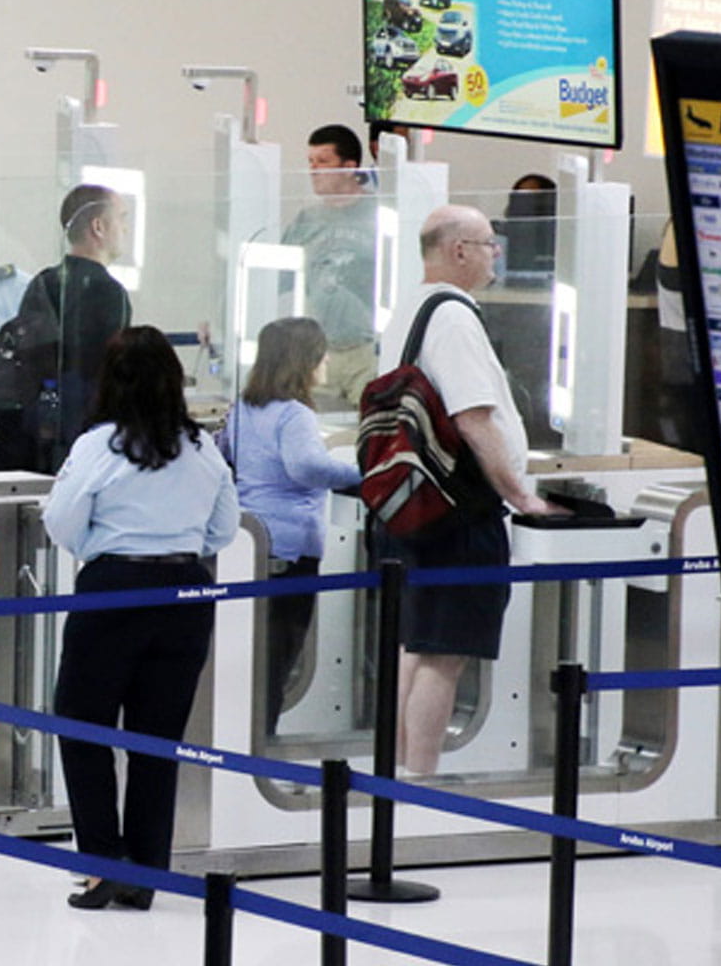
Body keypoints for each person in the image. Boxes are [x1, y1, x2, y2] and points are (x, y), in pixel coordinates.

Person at [43, 327, 239, 911]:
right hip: (184, 594)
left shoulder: (100, 445)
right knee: (157, 740)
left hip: (113, 588)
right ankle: (146, 874)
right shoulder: (202, 448)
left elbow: (63, 522)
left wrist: (99, 549)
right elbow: (224, 529)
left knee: (84, 727)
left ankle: (102, 867)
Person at [375, 205, 561, 775]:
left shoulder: (411, 306)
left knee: (419, 644)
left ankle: (402, 772)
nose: (496, 253)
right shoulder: (454, 319)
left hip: (416, 505)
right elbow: (475, 417)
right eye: (487, 243)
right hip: (458, 513)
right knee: (444, 655)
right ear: (458, 251)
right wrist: (519, 495)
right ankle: (420, 780)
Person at [217, 318, 361, 735]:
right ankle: (262, 748)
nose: (328, 359)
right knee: (278, 660)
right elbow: (306, 467)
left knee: (252, 661)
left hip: (252, 543)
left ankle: (243, 744)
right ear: (304, 360)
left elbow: (224, 451)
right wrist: (361, 473)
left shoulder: (245, 408)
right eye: (321, 353)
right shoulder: (294, 414)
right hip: (290, 549)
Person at [0, 184, 133, 473]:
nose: (126, 229)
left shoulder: (44, 283)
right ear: (99, 227)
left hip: (38, 434)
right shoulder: (109, 293)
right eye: (122, 218)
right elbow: (108, 375)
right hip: (88, 437)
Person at [281, 124, 379, 409]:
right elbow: (275, 278)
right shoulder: (307, 220)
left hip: (365, 352)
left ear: (349, 168)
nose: (314, 170)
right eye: (310, 162)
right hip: (319, 353)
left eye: (323, 162)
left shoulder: (380, 218)